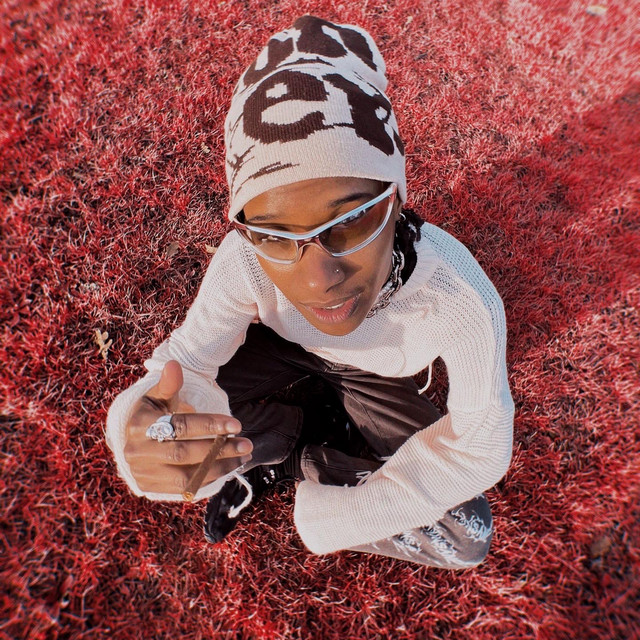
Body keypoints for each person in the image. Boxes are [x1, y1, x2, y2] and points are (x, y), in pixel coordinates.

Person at [106, 15, 514, 567]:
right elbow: (186, 364)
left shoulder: (457, 296)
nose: (320, 279)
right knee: (190, 431)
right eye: (276, 235)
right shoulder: (244, 259)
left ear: (396, 198)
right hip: (282, 350)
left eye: (350, 221)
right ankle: (289, 443)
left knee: (465, 536)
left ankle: (298, 453)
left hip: (376, 380)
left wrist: (334, 521)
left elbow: (479, 444)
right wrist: (144, 430)